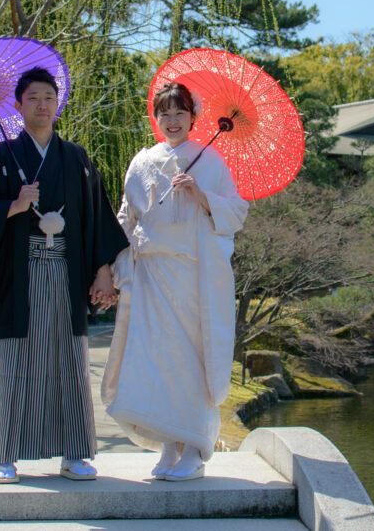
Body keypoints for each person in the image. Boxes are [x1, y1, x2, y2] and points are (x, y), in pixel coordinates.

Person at [0, 66, 129, 484]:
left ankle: (74, 453)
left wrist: (104, 271)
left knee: (67, 360)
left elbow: (96, 216)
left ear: (58, 105)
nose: (41, 104)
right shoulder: (1, 158)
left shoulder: (75, 158)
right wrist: (12, 208)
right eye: (33, 97)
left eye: (49, 98)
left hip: (66, 273)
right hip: (18, 276)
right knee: (13, 360)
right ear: (17, 106)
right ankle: (4, 453)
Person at [101, 82, 249, 481]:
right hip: (150, 274)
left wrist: (201, 195)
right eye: (164, 114)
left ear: (193, 117)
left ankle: (196, 449)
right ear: (156, 118)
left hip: (190, 276)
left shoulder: (211, 161)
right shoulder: (142, 161)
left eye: (179, 113)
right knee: (156, 358)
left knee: (189, 358)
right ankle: (170, 443)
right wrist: (118, 271)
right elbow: (125, 217)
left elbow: (236, 211)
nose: (171, 121)